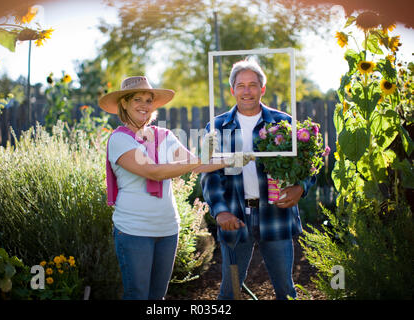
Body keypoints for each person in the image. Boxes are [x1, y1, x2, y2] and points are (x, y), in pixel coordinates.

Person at [98, 76, 253, 300]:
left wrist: (232, 159)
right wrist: (201, 157)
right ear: (124, 103)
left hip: (168, 228)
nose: (144, 105)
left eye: (149, 100)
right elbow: (154, 171)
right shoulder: (119, 140)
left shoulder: (165, 136)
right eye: (137, 100)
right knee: (138, 295)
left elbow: (197, 164)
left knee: (158, 297)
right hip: (133, 230)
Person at [200, 59, 316, 300]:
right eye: (240, 85)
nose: (247, 91)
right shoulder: (217, 126)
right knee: (230, 290)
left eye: (253, 85)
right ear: (232, 90)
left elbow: (309, 165)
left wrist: (300, 188)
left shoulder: (283, 123)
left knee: (285, 289)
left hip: (276, 215)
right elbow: (209, 173)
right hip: (235, 218)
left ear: (262, 89)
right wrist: (220, 211)